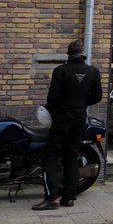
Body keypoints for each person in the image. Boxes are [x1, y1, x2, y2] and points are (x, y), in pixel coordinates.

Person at [34, 39, 102, 210]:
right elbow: (97, 96)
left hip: (61, 119)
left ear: (69, 55)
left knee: (50, 156)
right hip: (79, 118)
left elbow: (53, 98)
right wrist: (81, 103)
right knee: (71, 155)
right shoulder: (93, 72)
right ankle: (69, 197)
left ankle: (51, 198)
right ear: (82, 54)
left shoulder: (61, 71)